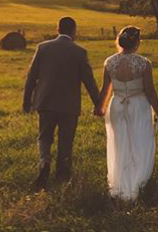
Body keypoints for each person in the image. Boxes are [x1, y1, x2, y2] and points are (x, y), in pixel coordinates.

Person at [23, 16, 100, 191]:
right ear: (74, 31)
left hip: (46, 101)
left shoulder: (42, 48)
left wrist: (26, 101)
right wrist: (98, 103)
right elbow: (89, 81)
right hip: (69, 105)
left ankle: (44, 162)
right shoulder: (79, 52)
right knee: (66, 140)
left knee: (44, 136)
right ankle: (63, 175)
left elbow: (31, 77)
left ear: (57, 29)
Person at [95, 26, 158, 201]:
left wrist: (100, 107)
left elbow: (105, 90)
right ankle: (138, 184)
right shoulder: (144, 63)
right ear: (137, 42)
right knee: (141, 143)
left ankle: (120, 185)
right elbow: (150, 91)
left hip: (117, 105)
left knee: (119, 145)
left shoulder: (109, 62)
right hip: (138, 105)